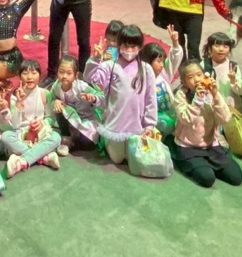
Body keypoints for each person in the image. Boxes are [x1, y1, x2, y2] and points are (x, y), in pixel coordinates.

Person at [86, 25, 158, 167]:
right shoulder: (110, 66)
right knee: (118, 159)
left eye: (133, 46)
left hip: (137, 126)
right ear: (119, 45)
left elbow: (150, 99)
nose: (129, 51)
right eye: (125, 46)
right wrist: (95, 59)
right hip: (115, 125)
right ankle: (105, 139)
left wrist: (149, 126)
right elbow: (91, 77)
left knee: (134, 158)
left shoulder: (146, 69)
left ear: (140, 47)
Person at [172, 60, 242, 188]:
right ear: (184, 82)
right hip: (188, 146)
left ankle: (206, 164)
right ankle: (184, 159)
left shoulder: (211, 92)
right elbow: (186, 119)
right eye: (190, 77)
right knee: (207, 178)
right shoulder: (181, 95)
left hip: (211, 145)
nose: (196, 79)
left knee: (236, 177)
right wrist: (197, 100)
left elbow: (225, 119)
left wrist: (216, 95)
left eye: (199, 75)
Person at [0, 60, 63, 177]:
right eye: (25, 73)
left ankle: (21, 162)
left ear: (39, 75)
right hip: (21, 133)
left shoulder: (45, 94)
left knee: (56, 137)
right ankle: (43, 157)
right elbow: (15, 125)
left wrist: (42, 124)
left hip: (40, 133)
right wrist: (19, 102)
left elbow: (51, 118)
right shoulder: (15, 96)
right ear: (20, 76)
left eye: (34, 73)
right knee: (5, 136)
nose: (29, 77)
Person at [49, 54, 101, 155]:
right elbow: (52, 98)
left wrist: (92, 98)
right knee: (58, 107)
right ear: (57, 72)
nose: (64, 76)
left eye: (69, 73)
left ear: (76, 75)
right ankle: (66, 136)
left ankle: (74, 140)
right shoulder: (56, 86)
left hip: (85, 119)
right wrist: (56, 101)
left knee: (88, 144)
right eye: (61, 72)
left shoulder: (82, 87)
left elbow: (99, 95)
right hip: (69, 120)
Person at [141, 24, 183, 137]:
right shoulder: (141, 80)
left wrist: (175, 43)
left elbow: (174, 59)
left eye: (163, 61)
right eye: (158, 61)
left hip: (171, 117)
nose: (161, 65)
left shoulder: (164, 74)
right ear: (147, 61)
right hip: (153, 125)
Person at [201, 32, 242, 111]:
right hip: (211, 110)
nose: (221, 49)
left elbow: (241, 92)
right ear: (209, 48)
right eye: (217, 46)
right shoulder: (203, 65)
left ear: (230, 50)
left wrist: (233, 80)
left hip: (232, 110)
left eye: (225, 46)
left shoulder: (233, 67)